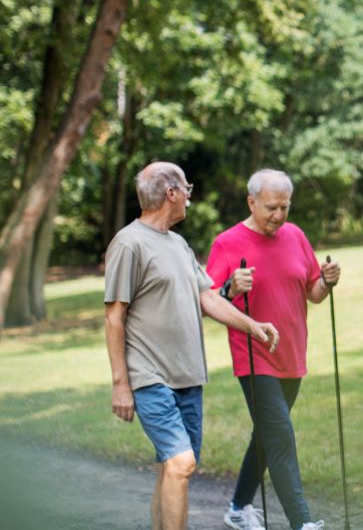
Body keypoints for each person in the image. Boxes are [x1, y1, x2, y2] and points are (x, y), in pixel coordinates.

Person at [104, 162, 279, 530]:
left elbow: (209, 298)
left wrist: (254, 326)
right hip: (149, 375)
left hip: (186, 375)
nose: (189, 195)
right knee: (181, 463)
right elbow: (114, 317)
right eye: (187, 188)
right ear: (171, 193)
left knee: (174, 468)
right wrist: (121, 383)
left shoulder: (178, 244)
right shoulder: (129, 242)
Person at [206, 169, 340, 530]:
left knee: (266, 434)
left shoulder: (295, 235)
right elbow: (210, 299)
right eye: (271, 207)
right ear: (251, 202)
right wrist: (230, 289)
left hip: (292, 355)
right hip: (253, 356)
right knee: (279, 435)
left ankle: (238, 507)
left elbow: (312, 292)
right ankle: (303, 522)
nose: (279, 215)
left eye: (285, 207)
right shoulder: (227, 243)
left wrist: (326, 282)